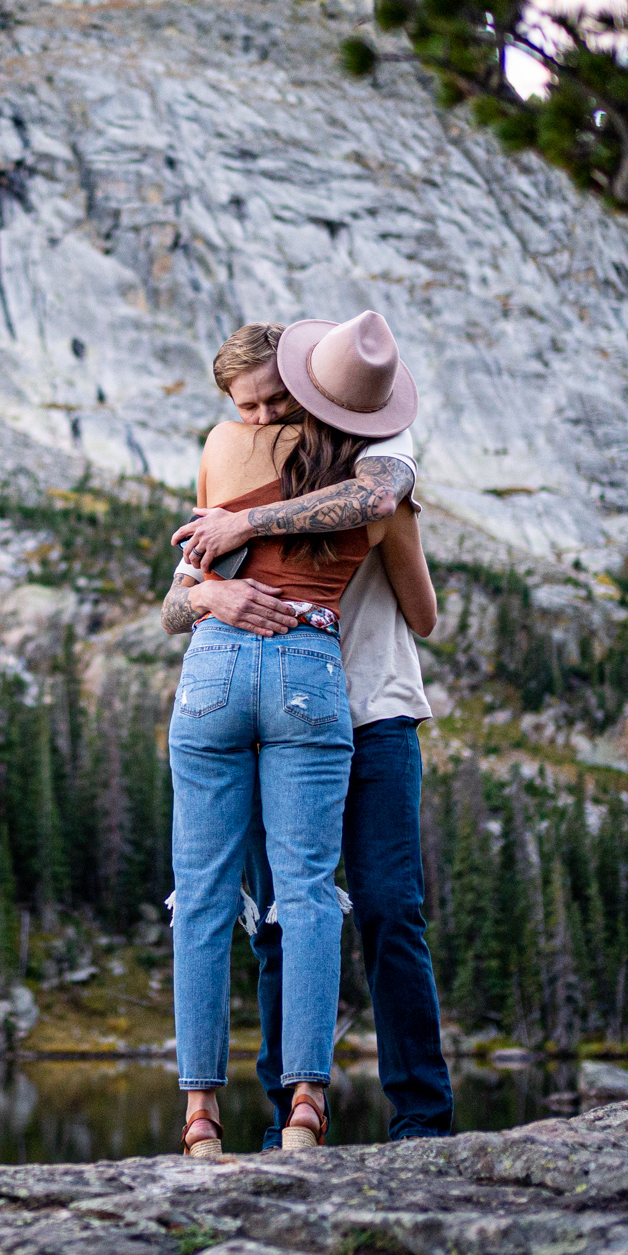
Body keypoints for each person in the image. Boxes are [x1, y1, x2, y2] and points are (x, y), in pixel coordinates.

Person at [184, 324, 456, 1146]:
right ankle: (286, 1117)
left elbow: (410, 585)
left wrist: (248, 535)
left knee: (384, 908)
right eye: (251, 404)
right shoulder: (246, 460)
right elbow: (179, 595)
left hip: (372, 709)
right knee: (284, 912)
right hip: (294, 719)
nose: (264, 416)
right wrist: (212, 597)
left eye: (276, 399)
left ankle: (420, 1116)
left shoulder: (384, 455)